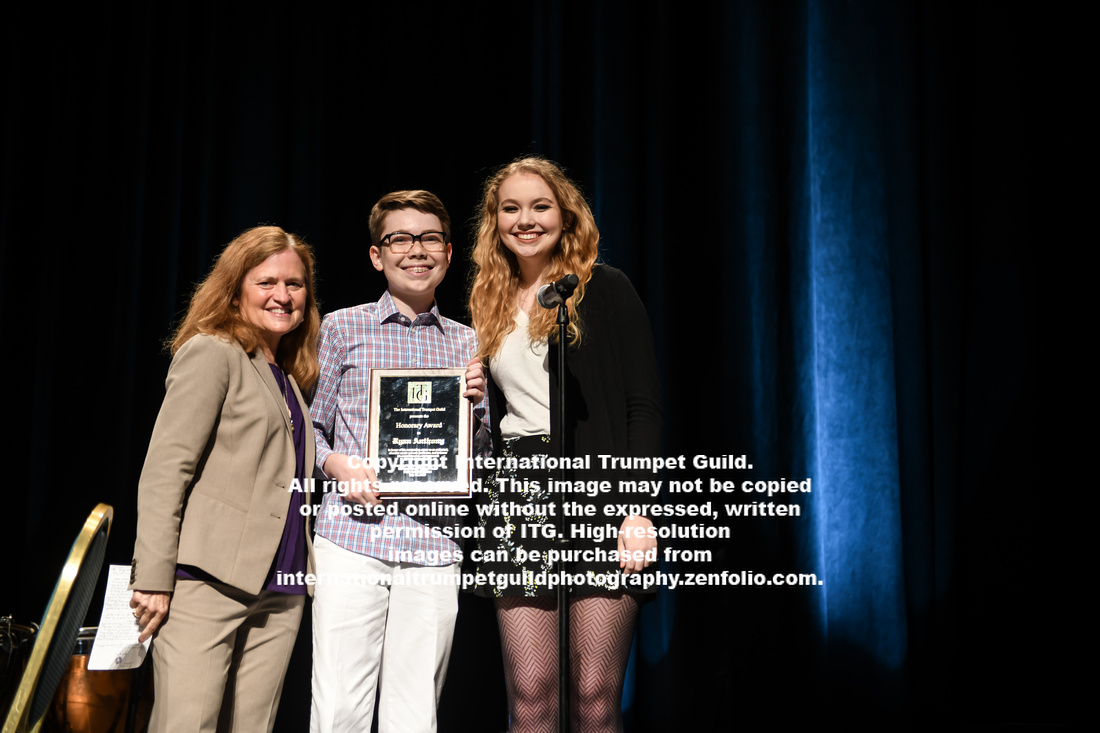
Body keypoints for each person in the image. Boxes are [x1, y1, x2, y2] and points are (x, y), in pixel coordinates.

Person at [468, 157, 662, 733]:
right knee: (529, 695)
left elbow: (642, 407)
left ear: (565, 214)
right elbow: (493, 422)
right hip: (519, 495)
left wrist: (639, 507)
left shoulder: (605, 288)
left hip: (601, 491)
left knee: (596, 694)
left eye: (540, 206)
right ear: (494, 221)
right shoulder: (489, 302)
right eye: (510, 208)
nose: (525, 220)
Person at [128, 225, 321, 732]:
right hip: (206, 582)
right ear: (235, 288)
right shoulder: (213, 352)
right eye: (267, 282)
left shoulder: (289, 376)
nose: (283, 295)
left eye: (295, 284)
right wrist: (152, 577)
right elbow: (167, 469)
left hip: (281, 588)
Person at [309, 190, 488, 733]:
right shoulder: (341, 328)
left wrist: (478, 411)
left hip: (434, 543)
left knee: (415, 715)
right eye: (400, 239)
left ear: (449, 253)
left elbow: (474, 456)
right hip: (353, 538)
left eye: (430, 237)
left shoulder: (469, 341)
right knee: (339, 706)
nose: (417, 250)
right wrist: (338, 467)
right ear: (376, 255)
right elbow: (309, 429)